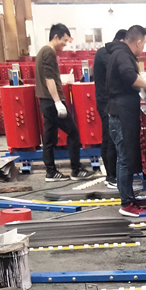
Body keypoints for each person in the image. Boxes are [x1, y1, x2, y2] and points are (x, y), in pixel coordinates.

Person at [105, 25, 146, 217]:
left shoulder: (119, 52)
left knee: (124, 157)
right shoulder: (123, 54)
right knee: (124, 159)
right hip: (120, 116)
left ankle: (129, 197)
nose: (143, 48)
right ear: (139, 41)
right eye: (144, 44)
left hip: (120, 113)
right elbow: (128, 75)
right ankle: (126, 203)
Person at [34, 23, 93, 181]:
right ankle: (76, 170)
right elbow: (49, 79)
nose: (65, 44)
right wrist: (57, 102)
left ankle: (51, 172)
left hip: (45, 102)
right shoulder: (48, 52)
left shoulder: (42, 52)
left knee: (50, 138)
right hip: (51, 102)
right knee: (73, 133)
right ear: (56, 37)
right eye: (64, 40)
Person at [92, 29, 126, 190]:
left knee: (108, 138)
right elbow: (119, 72)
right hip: (106, 103)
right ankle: (111, 176)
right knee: (110, 139)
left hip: (106, 101)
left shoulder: (105, 52)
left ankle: (112, 174)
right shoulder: (105, 54)